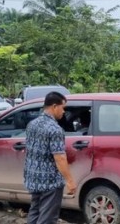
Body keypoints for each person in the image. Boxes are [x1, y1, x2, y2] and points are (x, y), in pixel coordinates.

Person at [24, 92, 77, 224]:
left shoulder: (32, 124)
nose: (64, 111)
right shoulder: (55, 129)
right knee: (47, 218)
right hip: (50, 183)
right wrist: (70, 181)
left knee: (35, 213)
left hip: (33, 179)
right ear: (54, 106)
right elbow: (60, 158)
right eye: (63, 107)